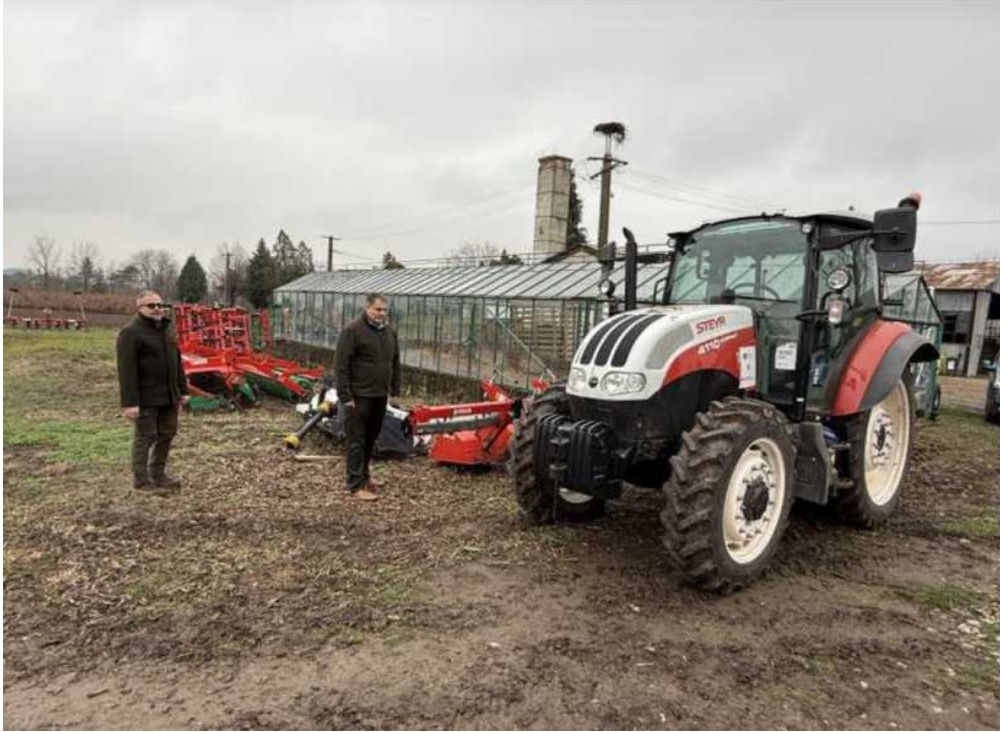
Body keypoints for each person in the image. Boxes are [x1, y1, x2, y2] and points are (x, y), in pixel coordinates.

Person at [116, 290, 190, 494]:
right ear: (139, 308)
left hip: (169, 395)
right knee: (145, 437)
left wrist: (182, 390)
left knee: (167, 434)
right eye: (151, 306)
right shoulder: (131, 333)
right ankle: (141, 481)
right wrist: (130, 403)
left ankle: (158, 474)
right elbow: (126, 370)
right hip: (146, 396)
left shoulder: (167, 329)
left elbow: (177, 362)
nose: (157, 309)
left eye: (159, 305)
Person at [335, 293, 401, 501]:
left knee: (371, 438)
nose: (381, 314)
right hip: (359, 395)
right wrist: (346, 396)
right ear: (367, 308)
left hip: (379, 395)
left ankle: (366, 476)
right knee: (357, 440)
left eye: (384, 310)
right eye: (377, 309)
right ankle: (355, 485)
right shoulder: (353, 331)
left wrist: (394, 389)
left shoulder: (390, 332)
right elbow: (341, 366)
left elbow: (395, 362)